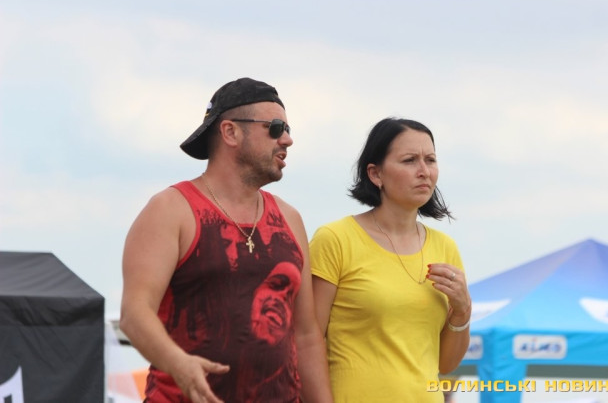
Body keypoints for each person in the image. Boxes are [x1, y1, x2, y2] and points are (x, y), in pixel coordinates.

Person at [120, 77, 333, 403]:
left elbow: (305, 336)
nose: (287, 140)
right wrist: (178, 364)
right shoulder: (171, 209)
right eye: (275, 128)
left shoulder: (290, 219)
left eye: (288, 129)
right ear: (230, 132)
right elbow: (135, 314)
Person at [310, 117, 471, 403]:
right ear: (375, 174)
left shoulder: (445, 247)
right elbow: (306, 341)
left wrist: (462, 310)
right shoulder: (335, 239)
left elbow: (446, 365)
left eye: (430, 160)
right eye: (410, 160)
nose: (424, 171)